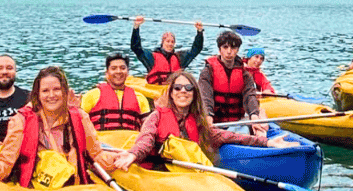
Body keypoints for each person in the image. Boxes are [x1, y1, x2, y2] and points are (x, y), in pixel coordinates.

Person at [0, 67, 132, 187]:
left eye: (56, 89)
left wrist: (119, 158)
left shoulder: (80, 117)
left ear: (65, 91)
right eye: (45, 91)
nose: (51, 95)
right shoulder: (21, 121)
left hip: (75, 188)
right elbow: (7, 161)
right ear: (37, 95)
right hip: (37, 190)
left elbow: (97, 155)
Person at [123, 70, 287, 169]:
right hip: (161, 173)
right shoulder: (157, 116)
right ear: (171, 93)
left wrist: (266, 142)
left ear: (194, 94)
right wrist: (133, 154)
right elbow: (146, 139)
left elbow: (229, 136)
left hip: (190, 174)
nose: (183, 91)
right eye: (178, 88)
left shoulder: (198, 123)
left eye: (188, 88)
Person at [199, 30, 264, 134]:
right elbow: (205, 97)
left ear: (237, 50)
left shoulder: (244, 74)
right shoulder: (208, 71)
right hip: (214, 122)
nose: (229, 51)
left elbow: (250, 96)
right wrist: (208, 117)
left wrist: (254, 115)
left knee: (254, 124)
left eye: (233, 48)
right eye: (225, 47)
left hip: (236, 123)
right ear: (219, 50)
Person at [84, 53, 151, 131]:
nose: (118, 71)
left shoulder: (140, 98)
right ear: (107, 73)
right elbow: (79, 122)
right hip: (101, 141)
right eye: (113, 68)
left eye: (122, 68)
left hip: (130, 141)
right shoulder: (91, 96)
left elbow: (148, 129)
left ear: (128, 72)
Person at [130, 16, 204, 85]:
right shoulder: (151, 57)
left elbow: (196, 49)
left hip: (174, 90)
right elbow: (136, 48)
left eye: (172, 42)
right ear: (162, 42)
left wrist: (199, 32)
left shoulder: (180, 57)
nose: (170, 44)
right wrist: (136, 27)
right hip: (156, 90)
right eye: (168, 41)